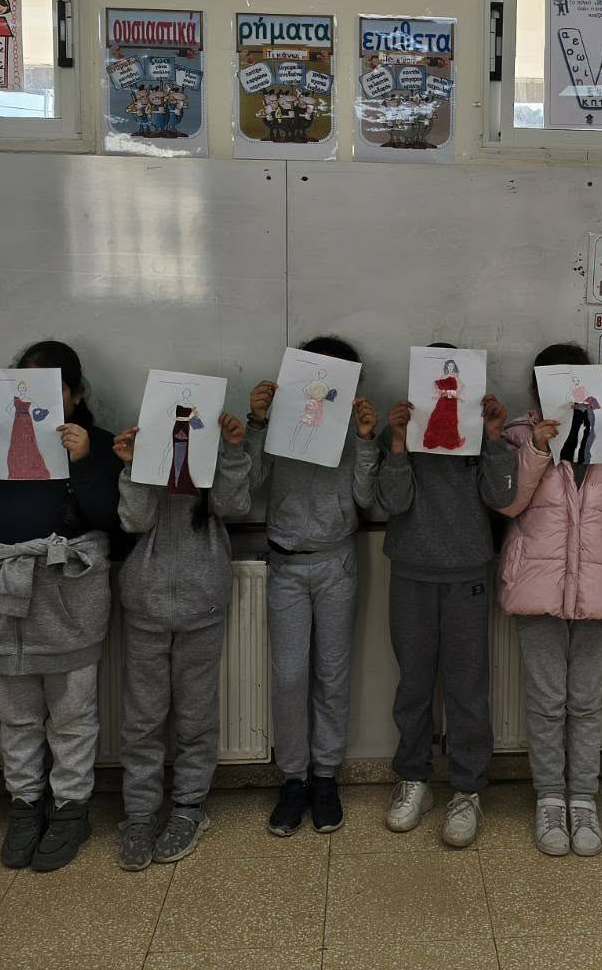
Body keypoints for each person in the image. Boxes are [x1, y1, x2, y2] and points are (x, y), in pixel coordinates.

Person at [0, 340, 121, 872]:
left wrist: (84, 463)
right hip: (6, 590)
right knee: (16, 714)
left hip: (70, 593)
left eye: (54, 387)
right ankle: (24, 805)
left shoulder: (97, 443)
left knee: (72, 713)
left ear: (76, 394)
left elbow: (113, 520)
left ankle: (71, 808)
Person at [498, 343, 602, 857]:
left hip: (598, 586)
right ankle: (550, 798)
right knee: (547, 702)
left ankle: (583, 798)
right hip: (537, 585)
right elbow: (508, 504)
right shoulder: (519, 438)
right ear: (538, 390)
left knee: (585, 702)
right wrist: (537, 450)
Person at [377, 345, 513, 848]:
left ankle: (467, 789)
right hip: (411, 572)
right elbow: (391, 501)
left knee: (466, 687)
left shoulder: (481, 431)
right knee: (413, 684)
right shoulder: (403, 430)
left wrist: (494, 439)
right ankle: (414, 778)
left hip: (467, 574)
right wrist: (397, 444)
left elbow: (502, 497)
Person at [245, 336, 379, 837]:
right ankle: (293, 778)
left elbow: (366, 495)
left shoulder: (352, 429)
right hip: (286, 562)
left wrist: (366, 440)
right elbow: (249, 484)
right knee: (288, 676)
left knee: (332, 674)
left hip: (336, 561)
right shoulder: (283, 419)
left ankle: (325, 776)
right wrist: (258, 423)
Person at [111, 410, 252, 871]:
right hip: (145, 608)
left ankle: (189, 807)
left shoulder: (210, 460)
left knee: (195, 716)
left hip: (201, 607)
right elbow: (134, 520)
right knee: (143, 718)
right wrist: (132, 466)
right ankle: (139, 814)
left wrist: (233, 452)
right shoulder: (147, 459)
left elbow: (235, 507)